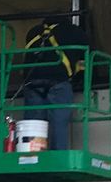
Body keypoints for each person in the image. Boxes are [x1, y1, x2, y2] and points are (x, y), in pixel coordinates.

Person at [20, 12, 89, 151]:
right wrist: (79, 80)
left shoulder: (34, 32)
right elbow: (84, 61)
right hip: (58, 82)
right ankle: (58, 154)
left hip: (33, 83)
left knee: (35, 124)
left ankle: (34, 154)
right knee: (59, 123)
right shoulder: (75, 32)